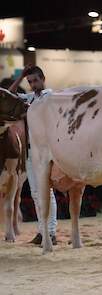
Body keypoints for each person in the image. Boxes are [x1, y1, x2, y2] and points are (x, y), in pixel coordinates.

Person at [8, 65, 57, 245]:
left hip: (45, 149)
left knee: (47, 192)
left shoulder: (51, 97)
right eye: (30, 82)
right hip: (30, 150)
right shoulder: (31, 97)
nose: (33, 84)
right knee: (36, 193)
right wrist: (20, 77)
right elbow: (9, 94)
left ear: (43, 78)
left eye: (35, 80)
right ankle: (42, 232)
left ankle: (51, 233)